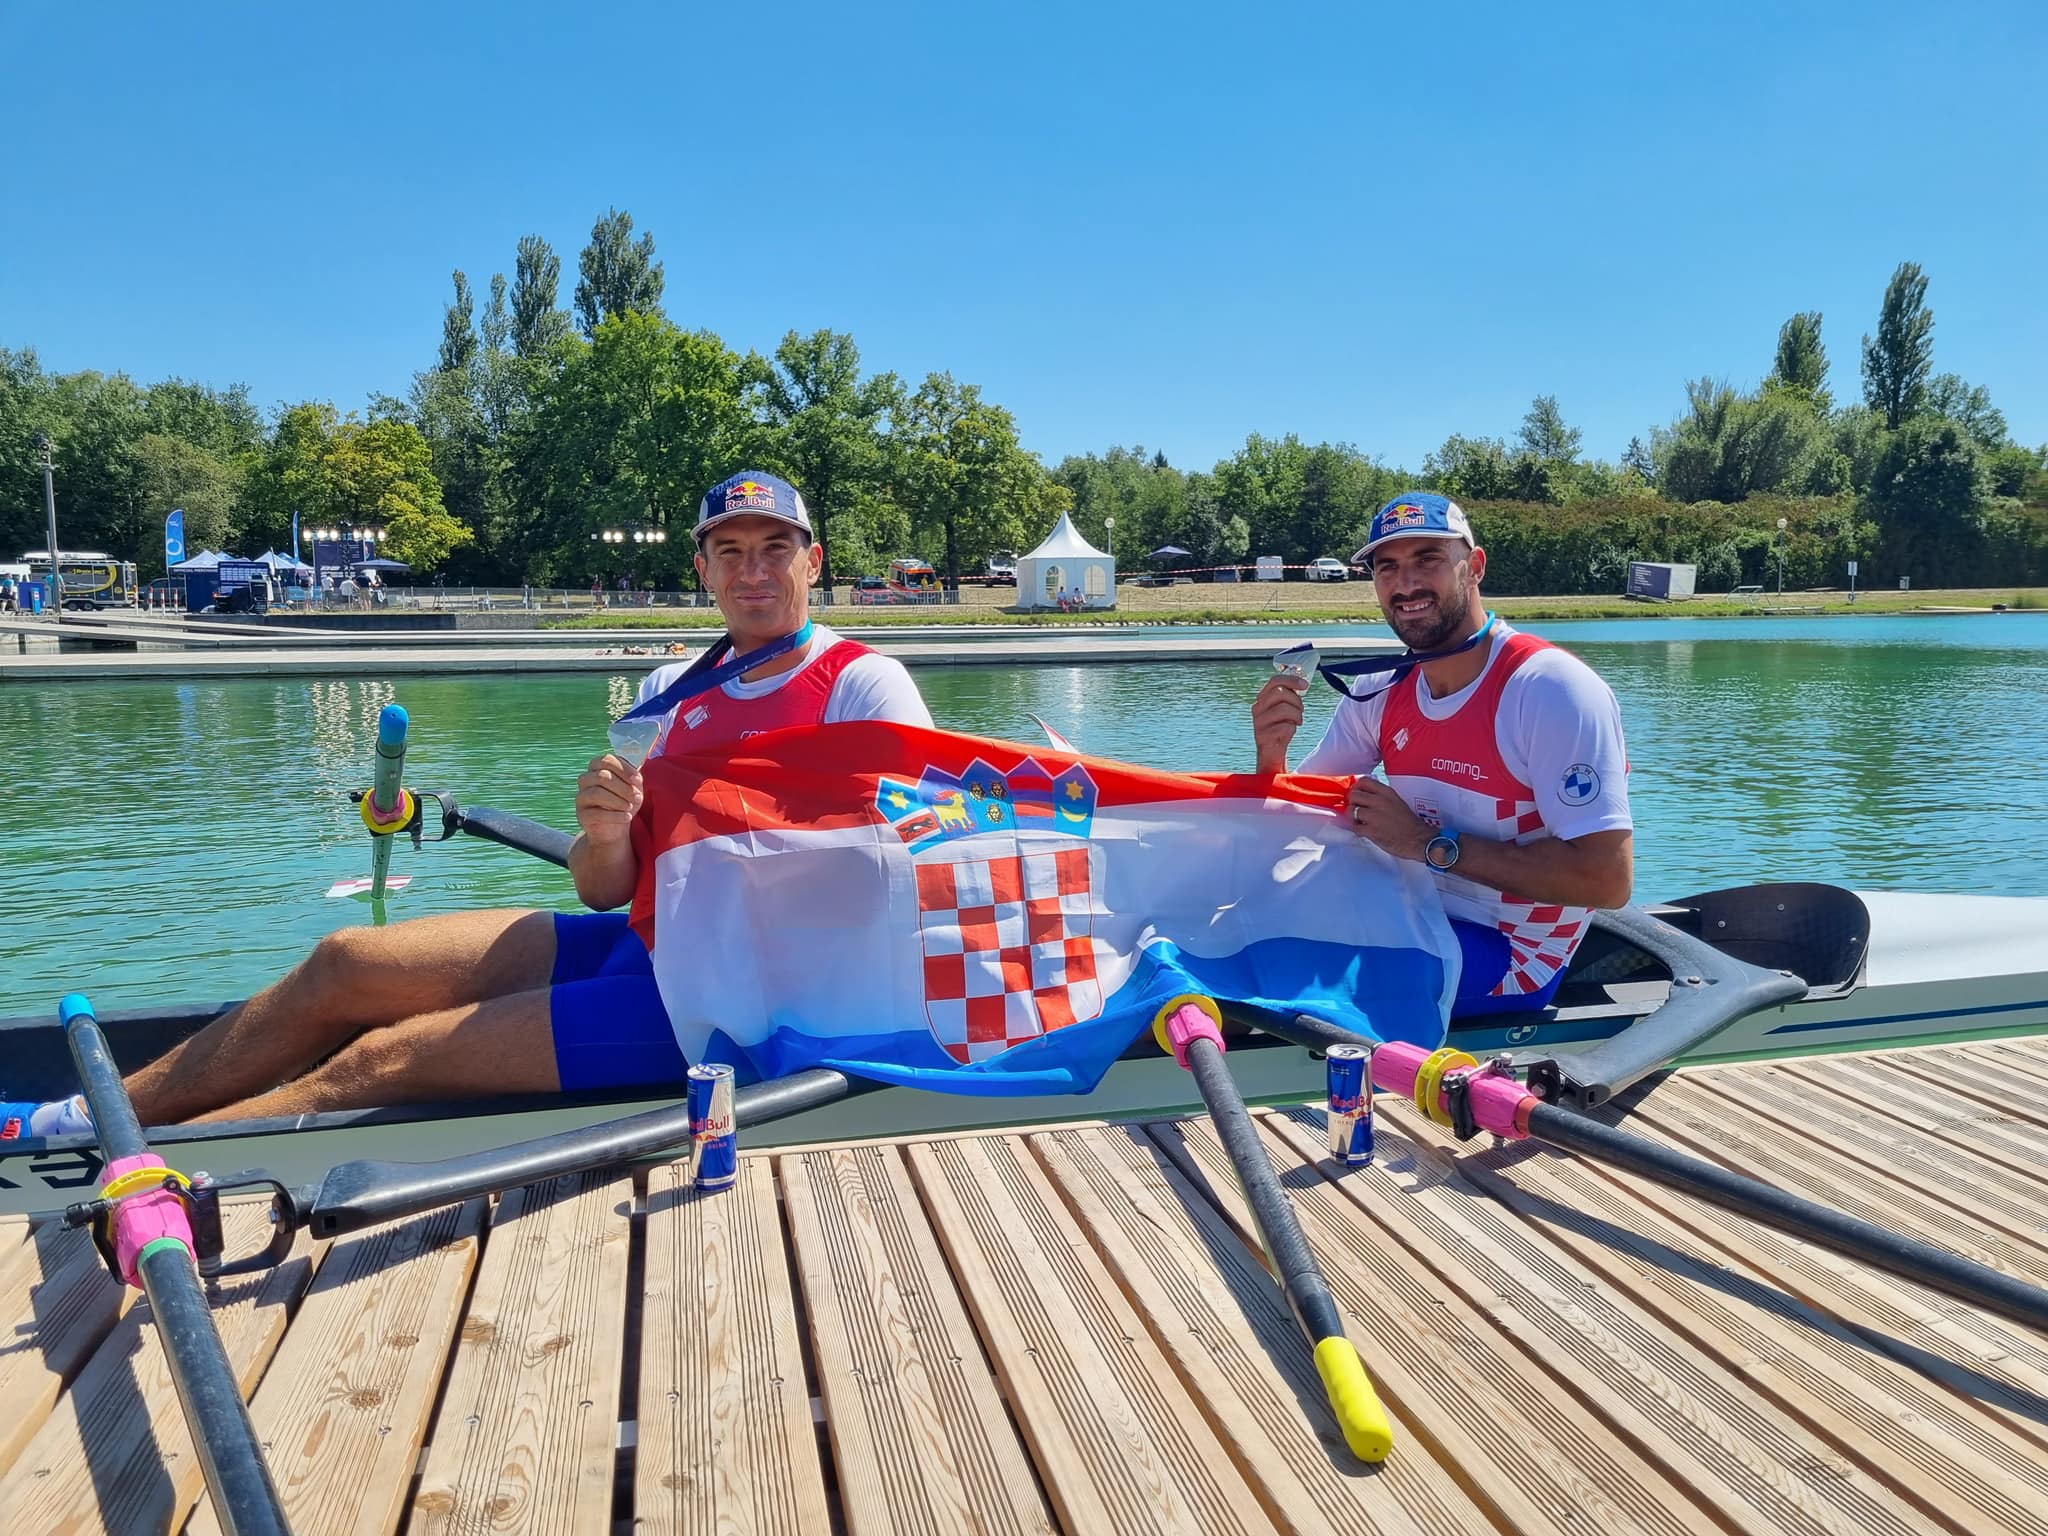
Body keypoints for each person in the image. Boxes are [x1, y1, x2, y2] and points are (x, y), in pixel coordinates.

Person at [2, 471, 932, 1139]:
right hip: (643, 946)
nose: (753, 571)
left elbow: (913, 875)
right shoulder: (666, 694)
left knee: (379, 1061)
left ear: (814, 562)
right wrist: (607, 831)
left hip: (743, 1005)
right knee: (344, 963)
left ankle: (136, 1169)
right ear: (703, 571)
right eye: (730, 552)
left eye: (776, 549)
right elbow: (606, 890)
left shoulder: (865, 686)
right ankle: (80, 1116)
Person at [1251, 492, 1633, 1016]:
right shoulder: (1384, 687)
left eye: (1427, 559)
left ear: (1474, 566)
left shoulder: (1549, 689)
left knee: (1258, 976)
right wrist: (1271, 762)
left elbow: (1607, 880)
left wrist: (1426, 843)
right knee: (1223, 927)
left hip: (1513, 954)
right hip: (1411, 914)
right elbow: (1298, 818)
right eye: (1388, 567)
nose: (1406, 584)